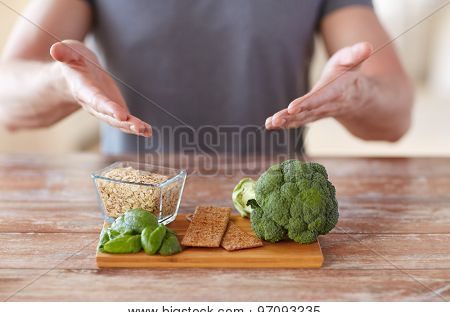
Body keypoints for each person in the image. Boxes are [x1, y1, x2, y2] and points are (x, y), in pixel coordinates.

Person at [0, 0, 413, 155]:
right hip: (135, 212)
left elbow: (396, 115)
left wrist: (357, 94)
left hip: (277, 215)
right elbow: (7, 99)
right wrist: (63, 82)